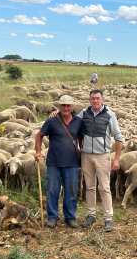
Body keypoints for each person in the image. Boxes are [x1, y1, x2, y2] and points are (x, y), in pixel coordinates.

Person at [35, 95, 83, 229]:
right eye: (63, 105)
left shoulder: (78, 121)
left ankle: (70, 217)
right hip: (53, 162)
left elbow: (80, 138)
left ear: (72, 107)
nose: (66, 108)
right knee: (52, 190)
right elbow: (39, 136)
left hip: (72, 163)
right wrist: (38, 152)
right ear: (59, 106)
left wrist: (82, 156)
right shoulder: (52, 121)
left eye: (68, 106)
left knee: (71, 191)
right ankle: (52, 217)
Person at [79, 89, 122, 232]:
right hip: (86, 155)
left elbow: (118, 137)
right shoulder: (84, 114)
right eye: (93, 98)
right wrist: (56, 115)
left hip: (102, 156)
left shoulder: (110, 115)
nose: (95, 101)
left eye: (98, 98)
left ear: (102, 99)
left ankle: (108, 218)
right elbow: (70, 122)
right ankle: (90, 215)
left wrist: (116, 158)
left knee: (104, 187)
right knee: (90, 186)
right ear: (89, 100)